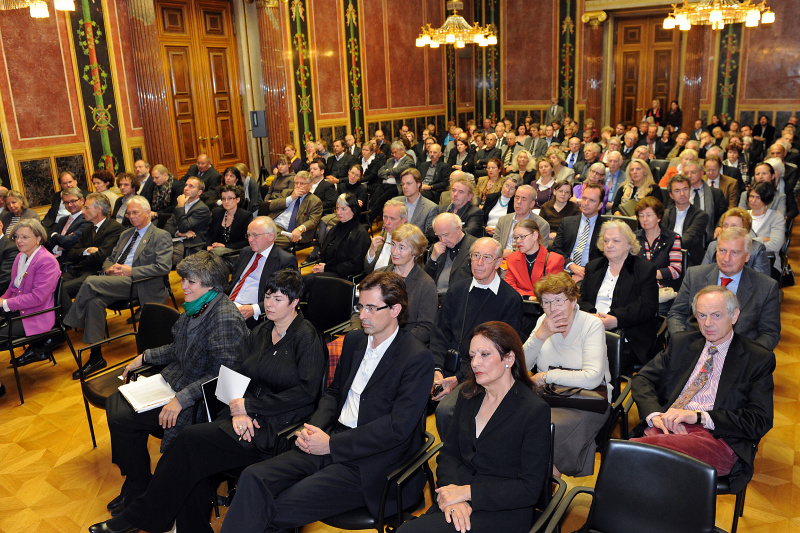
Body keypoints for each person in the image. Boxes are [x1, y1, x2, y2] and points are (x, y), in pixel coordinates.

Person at [88, 269, 324, 533]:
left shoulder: (307, 337)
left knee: (189, 444)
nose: (269, 303)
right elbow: (236, 372)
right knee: (190, 462)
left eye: (278, 299)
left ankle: (139, 517)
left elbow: (306, 393)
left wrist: (249, 407)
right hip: (241, 418)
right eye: (268, 296)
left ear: (294, 302)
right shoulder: (262, 330)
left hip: (276, 429)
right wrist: (239, 408)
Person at [216, 271, 434, 533]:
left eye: (371, 308)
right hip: (329, 438)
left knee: (274, 508)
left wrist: (331, 445)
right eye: (360, 306)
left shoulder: (416, 358)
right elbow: (332, 393)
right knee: (254, 478)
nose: (362, 315)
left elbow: (397, 428)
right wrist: (314, 430)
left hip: (369, 462)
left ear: (395, 309)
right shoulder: (354, 341)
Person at [95, 252, 247, 521]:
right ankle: (137, 480)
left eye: (190, 281)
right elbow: (177, 349)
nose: (183, 286)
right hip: (175, 382)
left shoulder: (224, 318)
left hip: (198, 400)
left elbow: (225, 375)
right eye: (184, 279)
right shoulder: (195, 308)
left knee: (123, 417)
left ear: (211, 285)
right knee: (116, 404)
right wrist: (146, 356)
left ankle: (139, 486)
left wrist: (181, 398)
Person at [397, 322, 550, 533]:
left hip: (502, 512)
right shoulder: (468, 394)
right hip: (459, 501)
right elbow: (449, 454)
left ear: (509, 358)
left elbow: (529, 489)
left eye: (485, 354)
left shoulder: (534, 410)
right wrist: (454, 498)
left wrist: (467, 493)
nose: (475, 363)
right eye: (472, 355)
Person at [631, 286, 775, 495]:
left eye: (716, 315)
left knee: (633, 456)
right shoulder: (681, 343)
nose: (708, 324)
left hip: (717, 437)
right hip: (667, 426)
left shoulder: (756, 359)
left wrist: (699, 417)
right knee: (650, 466)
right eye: (702, 315)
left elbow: (760, 420)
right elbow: (643, 379)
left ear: (734, 315)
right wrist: (655, 416)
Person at [64, 197, 173, 378]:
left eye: (135, 212)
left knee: (90, 282)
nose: (131, 216)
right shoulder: (126, 234)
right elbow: (109, 258)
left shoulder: (160, 235)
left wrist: (131, 271)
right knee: (94, 302)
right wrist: (108, 271)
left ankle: (69, 322)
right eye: (129, 213)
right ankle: (96, 356)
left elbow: (163, 267)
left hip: (140, 283)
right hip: (116, 281)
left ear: (147, 212)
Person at [431, 238, 523, 436]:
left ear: (498, 263)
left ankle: (455, 459)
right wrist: (437, 369)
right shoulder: (456, 290)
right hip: (445, 365)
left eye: (487, 257)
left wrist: (457, 378)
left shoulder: (510, 299)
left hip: (481, 373)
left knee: (446, 411)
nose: (479, 262)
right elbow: (439, 333)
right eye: (475, 256)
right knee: (407, 394)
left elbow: (499, 353)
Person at [523, 272, 612, 477]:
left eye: (558, 301)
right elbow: (521, 366)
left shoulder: (591, 325)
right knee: (517, 422)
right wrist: (539, 337)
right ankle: (546, 478)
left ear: (573, 301)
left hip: (587, 401)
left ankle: (546, 483)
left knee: (544, 430)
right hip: (548, 397)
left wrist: (546, 376)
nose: (552, 309)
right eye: (546, 302)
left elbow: (592, 377)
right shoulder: (542, 323)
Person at [667, 227, 781, 351]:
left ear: (747, 256)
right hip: (694, 348)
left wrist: (748, 358)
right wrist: (683, 344)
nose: (726, 258)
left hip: (740, 355)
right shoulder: (695, 275)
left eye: (735, 252)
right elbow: (676, 314)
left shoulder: (766, 287)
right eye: (722, 250)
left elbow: (769, 333)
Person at [579, 220, 659, 371]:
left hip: (626, 332)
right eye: (606, 240)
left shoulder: (644, 270)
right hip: (590, 326)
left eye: (616, 241)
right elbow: (581, 299)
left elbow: (647, 306)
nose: (609, 245)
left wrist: (616, 320)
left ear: (629, 244)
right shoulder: (593, 267)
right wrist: (592, 316)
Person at [354, 224, 437, 344]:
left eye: (402, 247)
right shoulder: (379, 274)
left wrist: (393, 342)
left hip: (403, 344)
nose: (394, 251)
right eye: (393, 244)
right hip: (370, 336)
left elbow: (425, 328)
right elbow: (358, 308)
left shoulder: (425, 284)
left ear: (415, 252)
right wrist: (357, 328)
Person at [2, 220, 60, 366]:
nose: (19, 241)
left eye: (24, 237)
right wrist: (2, 300)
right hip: (19, 311)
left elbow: (37, 298)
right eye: (17, 237)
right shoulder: (20, 257)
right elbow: (12, 287)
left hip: (36, 316)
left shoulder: (47, 260)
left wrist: (5, 303)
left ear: (38, 238)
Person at [227, 217, 299, 329]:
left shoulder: (285, 261)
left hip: (252, 312)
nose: (250, 239)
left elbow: (285, 298)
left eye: (255, 235)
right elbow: (234, 282)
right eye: (248, 235)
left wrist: (254, 309)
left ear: (271, 236)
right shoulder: (246, 252)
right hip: (229, 303)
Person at [62, 194, 124, 297]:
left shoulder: (114, 228)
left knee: (62, 290)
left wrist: (81, 256)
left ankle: (70, 313)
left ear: (98, 209)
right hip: (79, 270)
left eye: (86, 208)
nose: (83, 211)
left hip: (96, 273)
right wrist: (87, 250)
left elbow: (102, 256)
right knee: (53, 286)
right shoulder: (88, 229)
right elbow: (72, 253)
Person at [634, 197, 683, 312]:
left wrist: (648, 275)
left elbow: (676, 270)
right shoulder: (633, 238)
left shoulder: (672, 238)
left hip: (663, 291)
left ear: (659, 217)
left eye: (649, 215)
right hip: (637, 290)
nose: (645, 219)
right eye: (641, 215)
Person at [551, 183, 606, 282]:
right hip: (566, 271)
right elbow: (555, 249)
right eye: (584, 198)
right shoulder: (567, 222)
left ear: (600, 205)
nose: (585, 203)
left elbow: (606, 258)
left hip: (592, 275)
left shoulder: (606, 228)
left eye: (592, 200)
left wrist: (586, 271)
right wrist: (571, 265)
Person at [308, 193, 370, 279]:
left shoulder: (360, 234)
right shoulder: (335, 229)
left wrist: (326, 268)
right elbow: (324, 252)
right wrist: (318, 265)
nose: (338, 212)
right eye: (337, 208)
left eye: (343, 209)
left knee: (308, 280)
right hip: (330, 270)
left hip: (343, 276)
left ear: (353, 210)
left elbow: (356, 265)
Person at [504, 219, 565, 300]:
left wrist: (523, 294)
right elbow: (509, 287)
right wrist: (530, 297)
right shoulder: (512, 258)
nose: (518, 241)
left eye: (522, 237)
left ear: (535, 236)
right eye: (515, 238)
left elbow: (554, 291)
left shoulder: (555, 260)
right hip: (519, 304)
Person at [261, 171, 322, 248]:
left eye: (302, 183)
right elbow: (272, 206)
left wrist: (300, 229)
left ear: (310, 185)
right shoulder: (287, 193)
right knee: (255, 233)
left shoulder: (315, 201)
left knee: (265, 240)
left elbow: (313, 221)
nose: (298, 186)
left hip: (290, 232)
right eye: (296, 183)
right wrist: (291, 198)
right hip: (273, 224)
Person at [702, 208, 770, 275]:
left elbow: (761, 282)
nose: (728, 230)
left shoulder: (757, 249)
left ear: (745, 229)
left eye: (733, 226)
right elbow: (703, 274)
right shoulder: (713, 246)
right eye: (725, 226)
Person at [425, 213, 477, 298]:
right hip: (434, 299)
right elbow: (425, 280)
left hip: (460, 300)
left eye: (445, 235)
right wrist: (433, 258)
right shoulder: (437, 248)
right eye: (438, 236)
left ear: (458, 229)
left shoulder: (475, 248)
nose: (443, 240)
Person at [492, 184, 551, 256]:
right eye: (517, 197)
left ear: (532, 204)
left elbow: (539, 253)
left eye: (524, 199)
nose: (519, 202)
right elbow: (495, 245)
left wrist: (512, 253)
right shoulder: (503, 220)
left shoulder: (541, 225)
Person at [164, 177, 211, 268]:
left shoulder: (202, 209)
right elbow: (167, 226)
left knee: (164, 257)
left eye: (191, 186)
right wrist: (180, 234)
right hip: (176, 241)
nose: (186, 188)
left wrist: (181, 207)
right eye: (186, 185)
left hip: (190, 245)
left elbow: (184, 227)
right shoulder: (181, 204)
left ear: (199, 192)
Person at [745, 181, 785, 270]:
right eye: (751, 196)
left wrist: (747, 244)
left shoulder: (776, 217)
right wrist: (762, 239)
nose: (753, 200)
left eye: (758, 197)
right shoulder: (742, 216)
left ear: (766, 199)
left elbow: (775, 245)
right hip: (742, 263)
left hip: (769, 263)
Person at [206, 185, 253, 256]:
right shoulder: (217, 212)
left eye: (230, 198)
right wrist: (208, 245)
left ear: (237, 200)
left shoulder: (245, 216)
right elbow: (209, 233)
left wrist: (225, 246)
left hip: (233, 253)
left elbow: (247, 241)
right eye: (223, 199)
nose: (226, 202)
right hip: (213, 251)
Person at [45, 188, 90, 261]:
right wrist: (57, 248)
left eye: (73, 201)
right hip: (54, 261)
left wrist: (54, 235)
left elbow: (68, 242)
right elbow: (46, 240)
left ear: (82, 200)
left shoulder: (87, 219)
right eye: (66, 202)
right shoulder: (63, 220)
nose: (69, 205)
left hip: (71, 263)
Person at [364, 200, 407, 274]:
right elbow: (367, 269)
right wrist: (371, 252)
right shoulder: (381, 236)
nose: (387, 222)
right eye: (385, 217)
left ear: (403, 220)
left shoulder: (408, 243)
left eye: (392, 218)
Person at [436, 173, 484, 239]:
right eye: (453, 190)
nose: (455, 194)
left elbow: (468, 232)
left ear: (470, 196)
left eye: (460, 192)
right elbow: (430, 231)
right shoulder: (442, 209)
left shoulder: (475, 212)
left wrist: (443, 232)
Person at [394, 168, 438, 236]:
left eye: (408, 183)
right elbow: (386, 229)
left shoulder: (430, 208)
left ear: (418, 184)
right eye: (403, 184)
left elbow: (428, 238)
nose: (405, 187)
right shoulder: (394, 202)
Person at [149, 164, 183, 229]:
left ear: (165, 175)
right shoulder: (154, 186)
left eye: (156, 177)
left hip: (170, 218)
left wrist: (157, 213)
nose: (154, 180)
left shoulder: (177, 186)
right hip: (156, 216)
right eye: (153, 177)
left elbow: (175, 207)